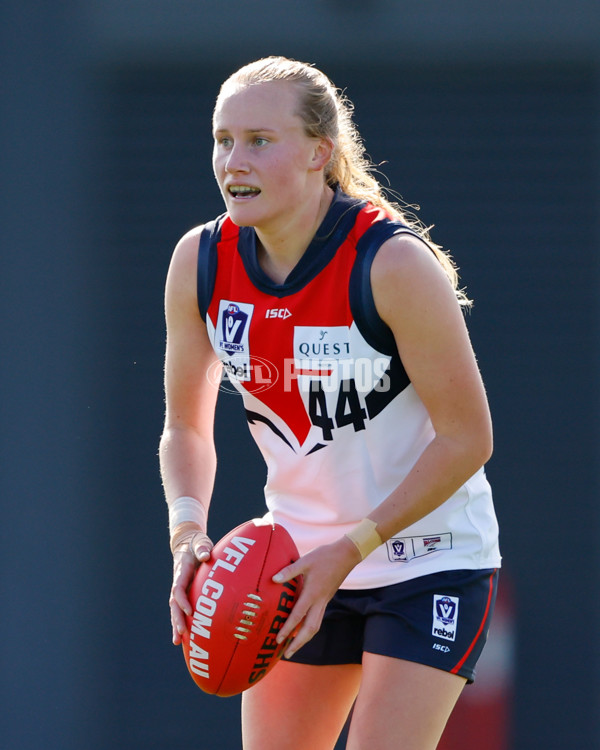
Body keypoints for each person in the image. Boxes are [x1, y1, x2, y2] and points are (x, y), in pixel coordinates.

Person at [159, 56, 501, 750]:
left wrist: (352, 548)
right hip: (294, 560)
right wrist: (188, 534)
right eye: (223, 140)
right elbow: (185, 426)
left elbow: (468, 439)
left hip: (425, 559)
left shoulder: (392, 264)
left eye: (259, 139)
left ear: (321, 153)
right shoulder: (200, 262)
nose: (233, 161)